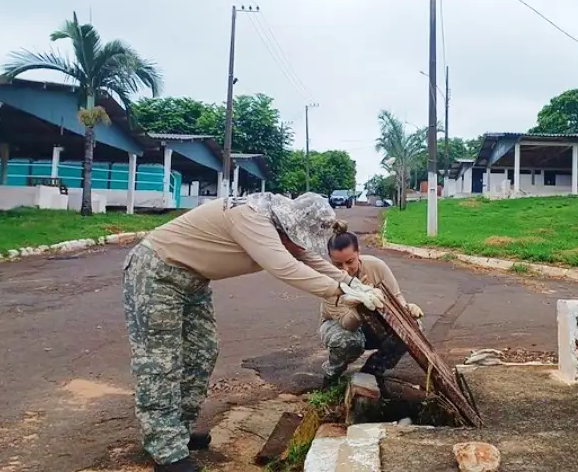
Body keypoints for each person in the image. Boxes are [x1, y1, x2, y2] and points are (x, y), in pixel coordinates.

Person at [122, 192, 385, 472]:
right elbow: (285, 267)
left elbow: (307, 257)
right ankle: (165, 450)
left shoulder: (277, 224)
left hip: (193, 282)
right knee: (161, 361)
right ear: (290, 225)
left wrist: (352, 284)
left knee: (202, 352)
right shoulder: (251, 216)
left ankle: (178, 433)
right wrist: (340, 292)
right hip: (157, 273)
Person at [318, 226, 424, 386]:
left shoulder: (376, 266)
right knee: (347, 341)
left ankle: (372, 371)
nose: (345, 270)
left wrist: (407, 308)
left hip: (374, 324)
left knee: (412, 327)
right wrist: (356, 305)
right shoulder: (326, 281)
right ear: (329, 259)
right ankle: (331, 375)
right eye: (338, 265)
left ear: (358, 252)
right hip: (340, 326)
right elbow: (348, 324)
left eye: (350, 262)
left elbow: (396, 297)